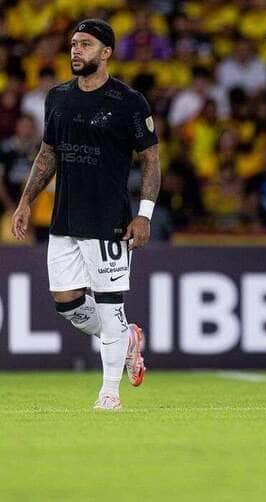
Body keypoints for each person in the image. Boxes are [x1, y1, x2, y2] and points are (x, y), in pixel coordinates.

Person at [10, 19, 160, 411]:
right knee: (67, 304)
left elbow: (151, 160)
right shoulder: (58, 97)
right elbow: (47, 155)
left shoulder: (129, 102)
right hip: (65, 220)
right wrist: (26, 201)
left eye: (86, 44)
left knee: (110, 305)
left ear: (106, 52)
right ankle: (126, 338)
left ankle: (109, 393)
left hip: (108, 220)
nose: (76, 50)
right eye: (74, 44)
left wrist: (144, 214)